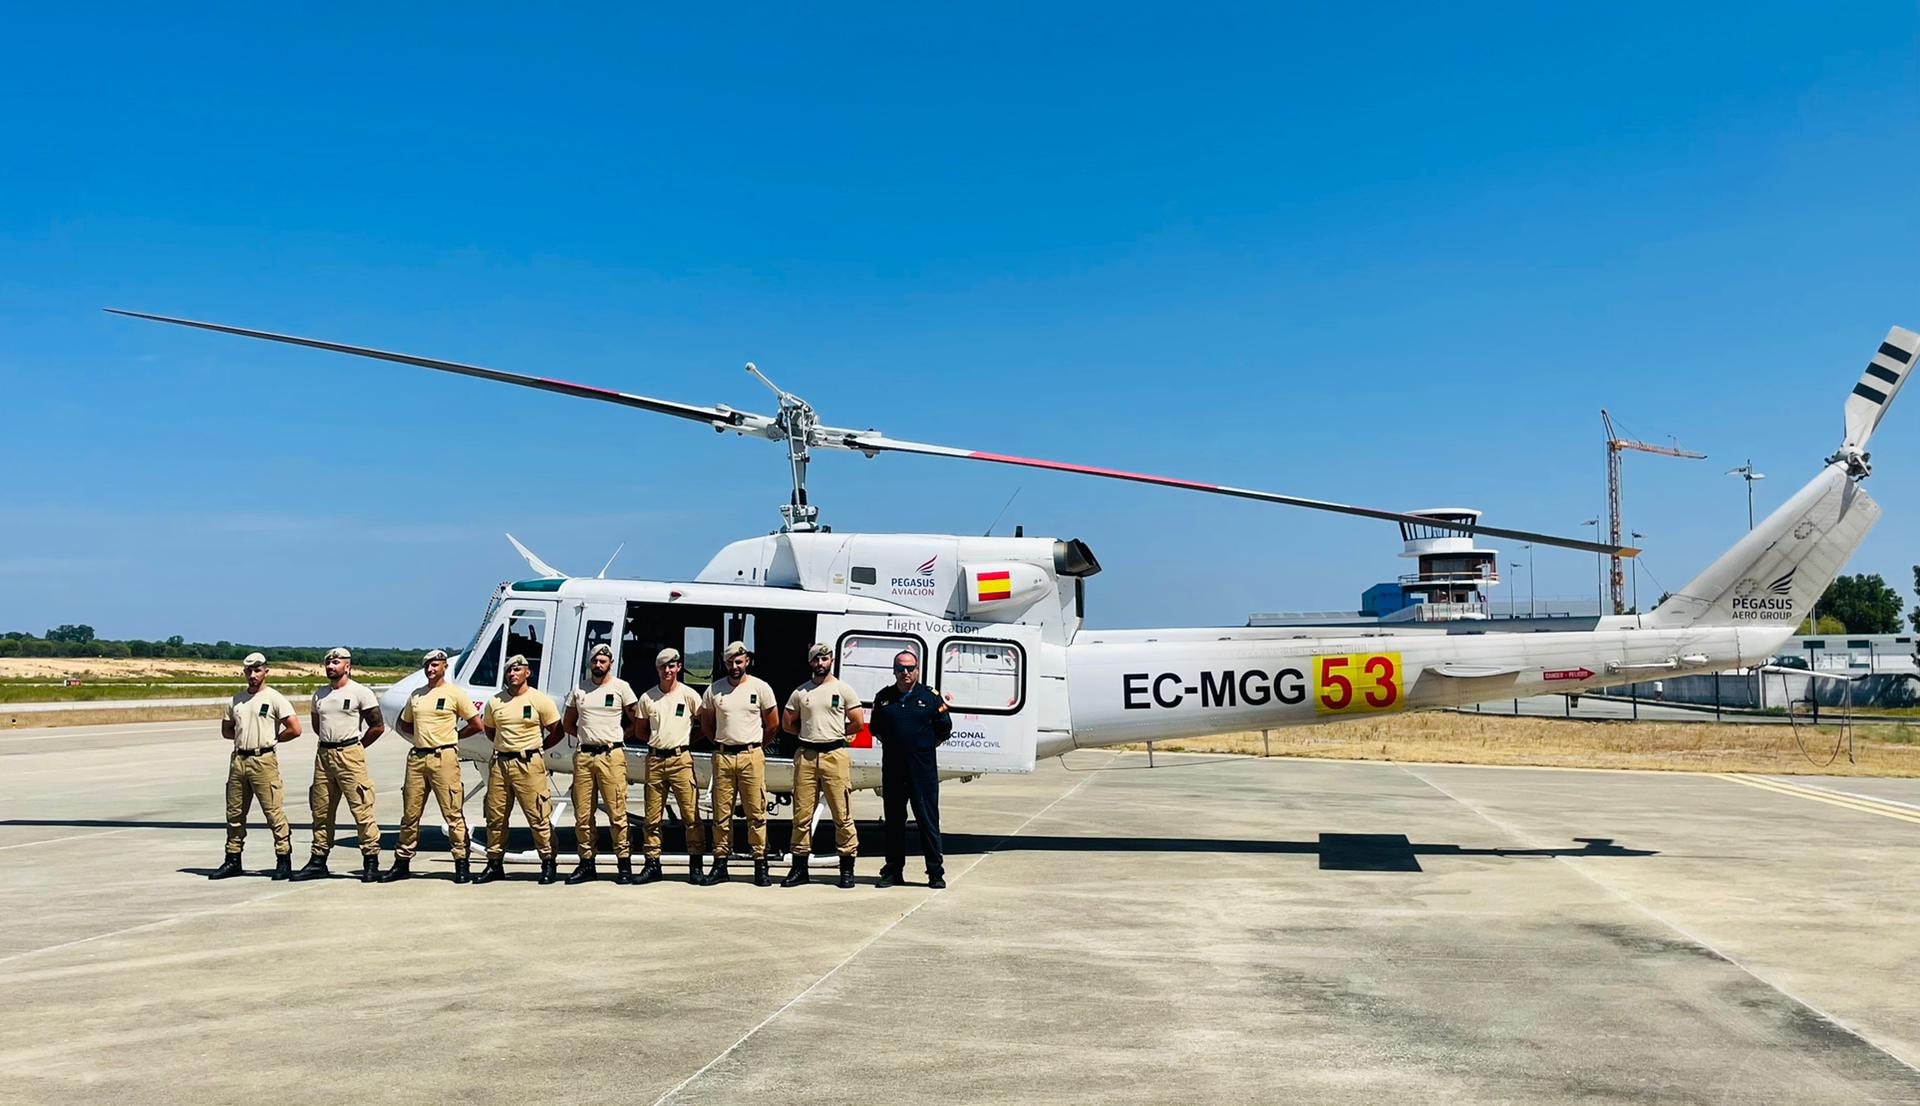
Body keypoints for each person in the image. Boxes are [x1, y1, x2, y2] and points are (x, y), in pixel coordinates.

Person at [386, 648, 482, 882]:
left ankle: (461, 861)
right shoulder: (416, 695)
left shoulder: (454, 694)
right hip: (418, 758)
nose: (430, 669)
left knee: (452, 811)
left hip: (444, 757)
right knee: (410, 812)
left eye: (435, 665)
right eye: (427, 665)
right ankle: (402, 861)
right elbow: (404, 723)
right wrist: (421, 736)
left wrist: (452, 738)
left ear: (444, 667)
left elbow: (476, 724)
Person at [292, 647, 385, 883]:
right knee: (321, 809)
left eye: (336, 662)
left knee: (361, 808)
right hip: (324, 755)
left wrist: (358, 747)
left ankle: (371, 859)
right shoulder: (319, 695)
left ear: (348, 666)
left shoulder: (360, 692)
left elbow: (377, 726)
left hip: (350, 753)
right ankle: (318, 859)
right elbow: (317, 725)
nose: (331, 666)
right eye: (328, 663)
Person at [780, 643, 864, 888]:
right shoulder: (800, 692)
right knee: (801, 815)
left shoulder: (843, 689)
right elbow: (787, 723)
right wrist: (807, 735)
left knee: (842, 813)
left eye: (824, 659)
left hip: (834, 755)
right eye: (816, 660)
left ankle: (846, 868)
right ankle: (799, 868)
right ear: (810, 663)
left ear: (832, 660)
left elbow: (857, 722)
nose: (820, 664)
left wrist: (836, 734)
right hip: (806, 756)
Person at [475, 654, 565, 884]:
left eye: (517, 669)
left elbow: (557, 729)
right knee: (495, 816)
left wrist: (537, 747)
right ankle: (494, 862)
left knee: (538, 815)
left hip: (529, 764)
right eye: (509, 671)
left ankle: (547, 861)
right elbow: (490, 730)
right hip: (501, 764)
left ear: (528, 672)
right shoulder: (496, 702)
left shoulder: (539, 700)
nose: (512, 674)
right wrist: (505, 747)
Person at [211, 652, 301, 880]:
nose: (253, 674)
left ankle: (283, 858)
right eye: (249, 671)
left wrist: (272, 740)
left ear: (266, 671)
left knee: (273, 811)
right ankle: (233, 858)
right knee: (235, 813)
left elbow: (295, 728)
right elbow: (227, 730)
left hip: (264, 760)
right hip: (239, 759)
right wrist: (245, 739)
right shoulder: (236, 700)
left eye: (257, 670)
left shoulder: (274, 698)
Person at [867, 649, 953, 889]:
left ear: (917, 670)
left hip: (922, 772)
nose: (905, 672)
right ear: (894, 671)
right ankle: (893, 871)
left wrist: (921, 747)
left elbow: (944, 729)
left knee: (927, 821)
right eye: (900, 668)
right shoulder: (884, 698)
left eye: (910, 668)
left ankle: (935, 873)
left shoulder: (930, 697)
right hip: (893, 771)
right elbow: (877, 729)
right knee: (894, 822)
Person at [699, 640, 778, 886]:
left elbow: (772, 723)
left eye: (739, 662)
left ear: (747, 662)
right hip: (723, 756)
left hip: (751, 756)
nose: (734, 666)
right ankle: (720, 862)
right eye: (730, 662)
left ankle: (760, 865)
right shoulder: (715, 690)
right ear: (724, 663)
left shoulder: (761, 688)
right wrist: (721, 743)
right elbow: (706, 724)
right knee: (721, 813)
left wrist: (756, 747)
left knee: (756, 812)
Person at [562, 643, 638, 884]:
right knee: (583, 815)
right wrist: (588, 738)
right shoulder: (579, 689)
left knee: (617, 813)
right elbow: (568, 723)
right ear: (590, 663)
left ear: (610, 664)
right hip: (584, 756)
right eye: (595, 661)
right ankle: (586, 863)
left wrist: (616, 738)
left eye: (603, 661)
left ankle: (624, 864)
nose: (598, 665)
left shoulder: (621, 688)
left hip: (611, 757)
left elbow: (636, 720)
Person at [634, 647, 706, 884]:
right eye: (663, 667)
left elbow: (704, 725)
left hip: (680, 760)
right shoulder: (647, 698)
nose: (667, 670)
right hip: (655, 760)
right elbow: (640, 730)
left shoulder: (690, 696)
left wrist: (684, 743)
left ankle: (695, 864)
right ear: (657, 670)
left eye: (671, 666)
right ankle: (652, 863)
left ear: (678, 667)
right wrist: (658, 744)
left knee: (690, 814)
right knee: (652, 817)